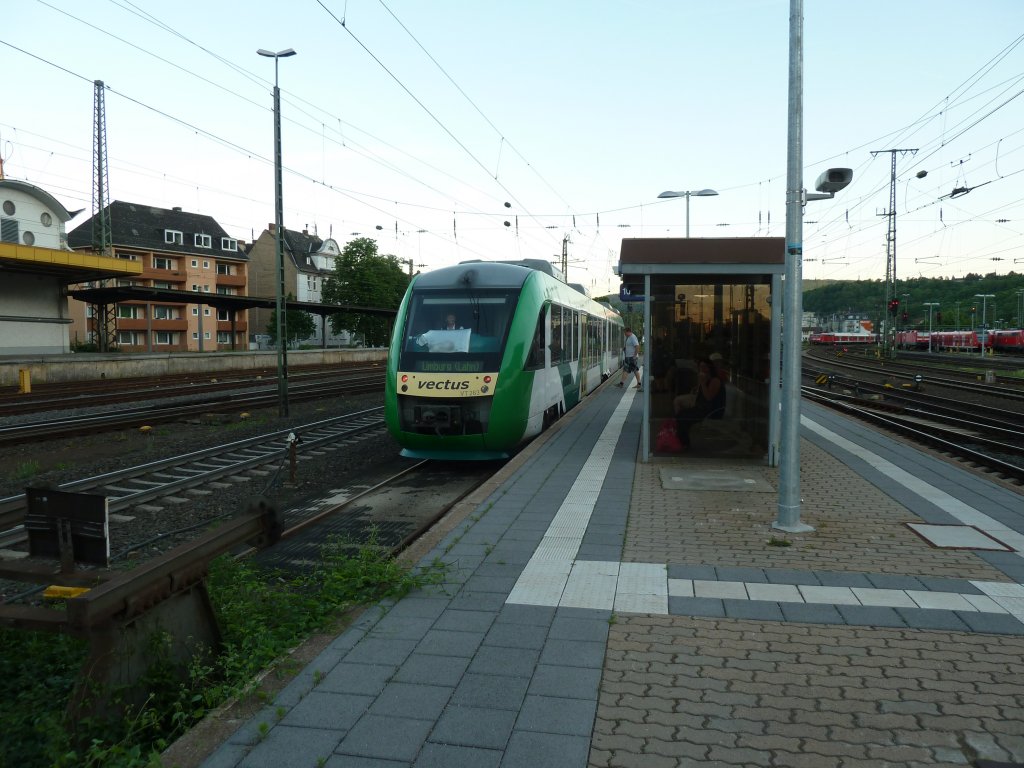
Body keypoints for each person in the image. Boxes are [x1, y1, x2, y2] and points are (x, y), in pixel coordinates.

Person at [674, 357, 726, 450]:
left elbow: (708, 397)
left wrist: (703, 383)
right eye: (700, 367)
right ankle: (682, 441)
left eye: (704, 366)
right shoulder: (705, 378)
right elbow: (699, 395)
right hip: (702, 408)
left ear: (709, 368)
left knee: (683, 417)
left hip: (711, 410)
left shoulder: (715, 381)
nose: (702, 369)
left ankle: (685, 443)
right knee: (681, 414)